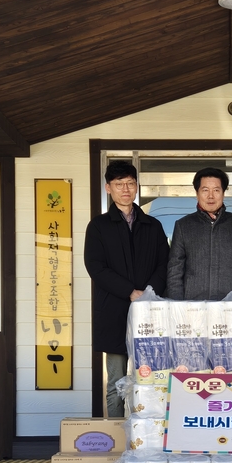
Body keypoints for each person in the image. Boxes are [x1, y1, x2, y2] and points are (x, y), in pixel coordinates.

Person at [84, 160, 169, 417]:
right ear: (108, 188)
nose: (125, 189)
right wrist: (130, 292)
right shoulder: (98, 226)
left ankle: (149, 434)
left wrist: (148, 293)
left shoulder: (152, 226)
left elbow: (164, 263)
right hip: (114, 311)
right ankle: (116, 440)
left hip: (148, 314)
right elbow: (96, 267)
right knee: (116, 382)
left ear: (137, 187)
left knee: (150, 379)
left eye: (130, 184)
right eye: (119, 184)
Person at [166, 168, 232, 300]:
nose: (211, 196)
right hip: (193, 307)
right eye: (205, 190)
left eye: (216, 190)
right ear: (197, 193)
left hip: (230, 307)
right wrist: (178, 306)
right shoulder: (183, 225)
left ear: (223, 193)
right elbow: (175, 272)